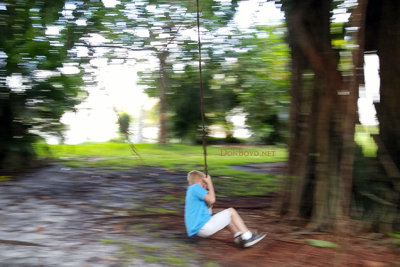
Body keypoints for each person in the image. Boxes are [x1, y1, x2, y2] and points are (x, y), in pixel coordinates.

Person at [184, 170, 266, 247]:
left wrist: (208, 204)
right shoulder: (195, 187)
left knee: (227, 217)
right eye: (204, 183)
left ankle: (238, 236)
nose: (206, 186)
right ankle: (248, 237)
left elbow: (208, 209)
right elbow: (212, 199)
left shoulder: (191, 192)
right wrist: (210, 182)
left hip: (199, 230)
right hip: (204, 227)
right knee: (231, 211)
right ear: (200, 182)